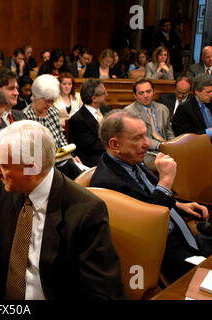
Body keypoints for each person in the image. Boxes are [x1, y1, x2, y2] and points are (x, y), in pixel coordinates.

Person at [0, 120, 126, 300]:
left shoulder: (85, 211)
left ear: (31, 169)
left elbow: (101, 292)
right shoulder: (9, 189)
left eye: (4, 165)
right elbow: (1, 250)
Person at [90, 110, 211, 282]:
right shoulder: (106, 184)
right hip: (161, 252)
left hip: (181, 235)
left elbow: (147, 197)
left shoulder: (131, 159)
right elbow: (146, 228)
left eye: (145, 136)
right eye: (138, 138)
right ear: (115, 144)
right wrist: (166, 181)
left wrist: (178, 205)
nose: (147, 143)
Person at [23, 74, 84, 180]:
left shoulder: (52, 112)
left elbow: (61, 138)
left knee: (81, 174)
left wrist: (70, 156)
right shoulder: (26, 116)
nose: (50, 104)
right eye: (47, 100)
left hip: (61, 162)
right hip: (42, 167)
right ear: (35, 95)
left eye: (52, 101)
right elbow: (29, 151)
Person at [125, 78, 174, 167]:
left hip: (166, 149)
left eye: (148, 91)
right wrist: (160, 146)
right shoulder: (129, 112)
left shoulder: (163, 109)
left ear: (154, 91)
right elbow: (138, 138)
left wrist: (174, 145)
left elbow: (168, 132)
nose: (146, 95)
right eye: (141, 93)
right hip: (143, 152)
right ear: (135, 95)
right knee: (167, 164)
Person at [69, 79, 111, 167]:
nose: (107, 95)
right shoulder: (78, 119)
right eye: (104, 93)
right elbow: (91, 146)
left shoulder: (106, 110)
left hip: (110, 152)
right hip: (93, 159)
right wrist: (114, 145)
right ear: (94, 98)